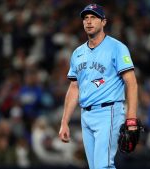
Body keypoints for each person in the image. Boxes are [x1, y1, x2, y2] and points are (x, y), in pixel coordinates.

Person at [58, 4, 138, 169]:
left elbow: (131, 82)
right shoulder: (77, 53)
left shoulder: (117, 47)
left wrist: (131, 118)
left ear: (104, 22)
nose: (89, 21)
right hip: (86, 115)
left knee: (103, 166)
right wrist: (64, 121)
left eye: (93, 17)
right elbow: (74, 87)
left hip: (108, 112)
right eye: (86, 18)